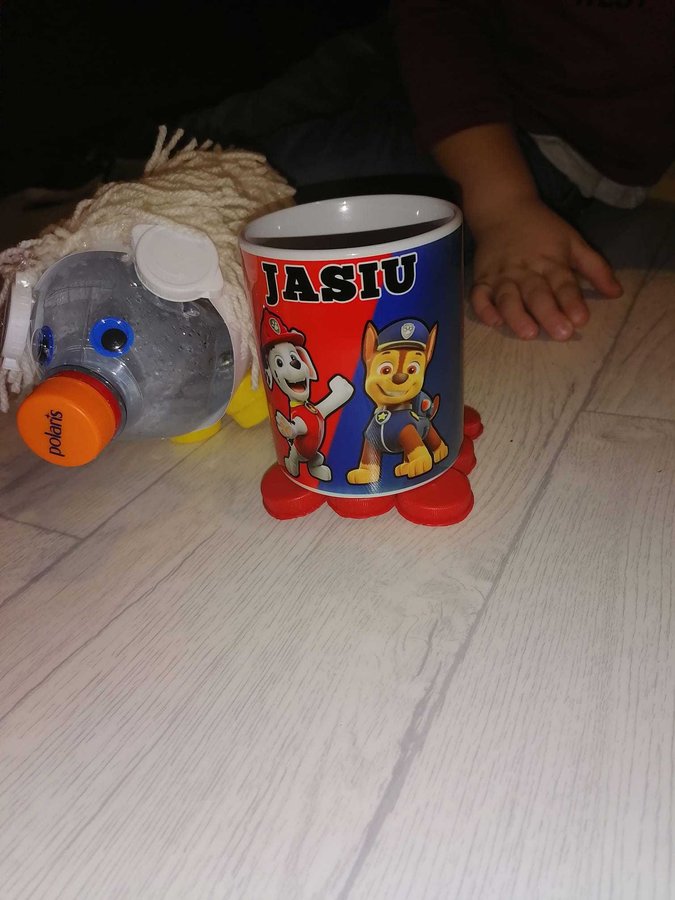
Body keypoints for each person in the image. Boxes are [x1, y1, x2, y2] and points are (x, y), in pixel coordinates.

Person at [394, 0, 675, 340]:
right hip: (482, 113)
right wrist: (502, 209)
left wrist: (505, 213)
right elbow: (438, 23)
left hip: (555, 142)